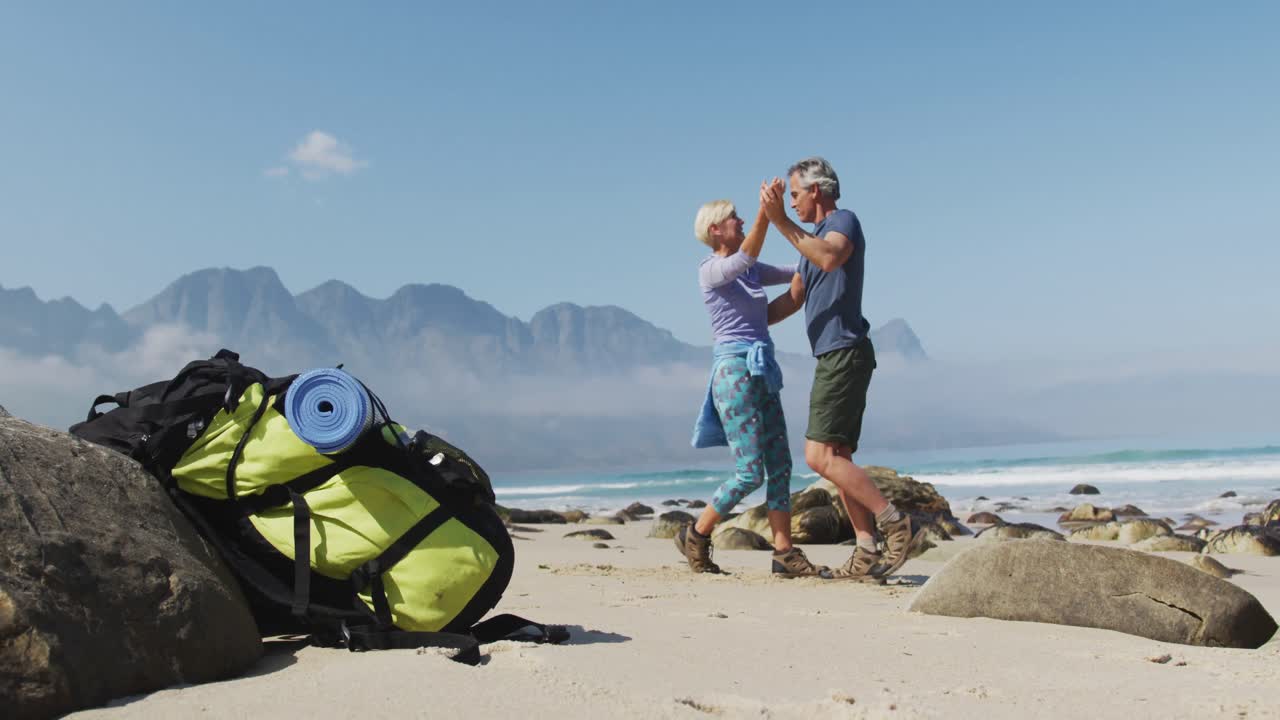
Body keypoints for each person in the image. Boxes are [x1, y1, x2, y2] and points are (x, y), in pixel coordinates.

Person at [761, 157, 922, 580]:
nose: (791, 203)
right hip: (835, 354)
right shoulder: (809, 242)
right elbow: (794, 299)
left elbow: (831, 258)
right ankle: (866, 549)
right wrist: (744, 321)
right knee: (840, 457)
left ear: (817, 190)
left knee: (818, 456)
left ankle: (895, 523)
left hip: (844, 351)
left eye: (795, 194)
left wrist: (780, 222)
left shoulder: (844, 222)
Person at [679, 190, 829, 578]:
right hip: (733, 373)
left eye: (746, 217)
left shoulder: (749, 269)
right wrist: (768, 213)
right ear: (715, 230)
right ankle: (696, 533)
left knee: (781, 464)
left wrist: (828, 252)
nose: (742, 221)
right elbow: (746, 254)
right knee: (750, 473)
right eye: (735, 218)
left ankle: (784, 553)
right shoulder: (710, 270)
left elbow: (796, 269)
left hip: (763, 368)